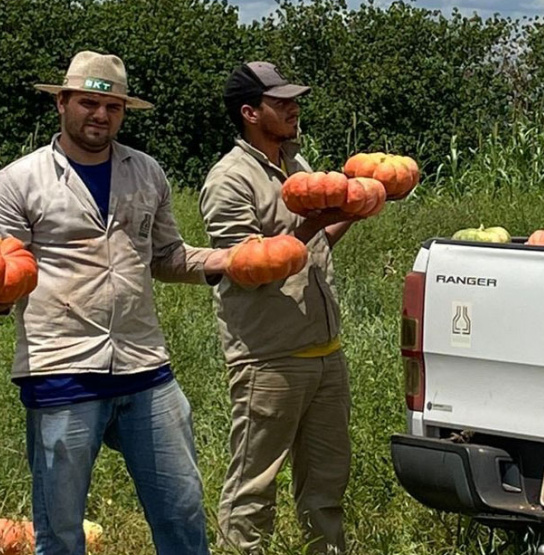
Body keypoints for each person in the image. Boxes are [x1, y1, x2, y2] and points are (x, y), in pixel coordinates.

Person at [0, 50, 234, 555]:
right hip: (61, 369)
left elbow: (165, 256)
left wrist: (231, 261)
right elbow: (0, 267)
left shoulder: (146, 173)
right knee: (61, 529)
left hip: (145, 366)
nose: (100, 114)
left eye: (113, 106)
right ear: (62, 102)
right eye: (88, 102)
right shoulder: (18, 181)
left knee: (183, 509)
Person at [198, 61, 358, 554]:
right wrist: (309, 225)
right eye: (280, 101)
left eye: (294, 99)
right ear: (250, 112)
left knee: (327, 485)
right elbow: (248, 266)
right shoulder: (230, 179)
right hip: (269, 356)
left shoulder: (297, 165)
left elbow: (316, 245)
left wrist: (351, 211)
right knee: (254, 486)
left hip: (323, 350)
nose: (294, 108)